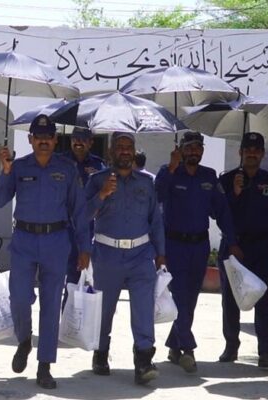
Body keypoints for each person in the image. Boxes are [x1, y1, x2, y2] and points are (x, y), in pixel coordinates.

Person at [0, 114, 90, 389]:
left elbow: (79, 211)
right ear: (30, 139)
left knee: (50, 303)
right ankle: (24, 340)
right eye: (39, 137)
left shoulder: (67, 169)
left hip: (56, 241)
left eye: (48, 137)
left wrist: (85, 247)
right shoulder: (19, 167)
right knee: (19, 298)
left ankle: (45, 365)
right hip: (23, 240)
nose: (44, 141)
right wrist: (5, 170)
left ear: (55, 140)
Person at [155, 131, 242, 373]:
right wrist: (171, 168)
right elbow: (157, 196)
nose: (194, 151)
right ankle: (188, 349)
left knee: (190, 299)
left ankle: (174, 345)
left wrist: (232, 240)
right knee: (180, 296)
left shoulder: (209, 176)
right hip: (174, 245)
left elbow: (221, 211)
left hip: (199, 246)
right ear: (181, 149)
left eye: (198, 147)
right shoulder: (169, 172)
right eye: (189, 147)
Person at [84, 131, 165, 384]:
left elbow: (156, 221)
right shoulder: (97, 180)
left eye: (129, 147)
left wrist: (161, 254)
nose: (125, 151)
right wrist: (102, 194)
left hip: (141, 255)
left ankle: (143, 359)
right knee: (105, 310)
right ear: (111, 153)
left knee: (143, 309)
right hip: (107, 255)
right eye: (120, 147)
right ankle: (101, 352)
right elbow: (81, 215)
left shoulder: (147, 182)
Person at [217, 132, 268, 368]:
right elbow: (219, 215)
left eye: (256, 150)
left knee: (263, 299)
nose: (251, 153)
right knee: (230, 299)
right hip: (232, 245)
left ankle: (265, 352)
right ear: (240, 152)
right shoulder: (227, 179)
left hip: (260, 246)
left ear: (262, 154)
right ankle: (231, 347)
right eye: (247, 149)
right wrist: (234, 194)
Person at [59, 127, 106, 308]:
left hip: (86, 228)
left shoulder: (99, 166)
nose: (78, 142)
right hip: (61, 227)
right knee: (58, 276)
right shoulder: (60, 161)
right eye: (75, 138)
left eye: (83, 139)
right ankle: (62, 317)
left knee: (79, 274)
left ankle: (72, 318)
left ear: (91, 142)